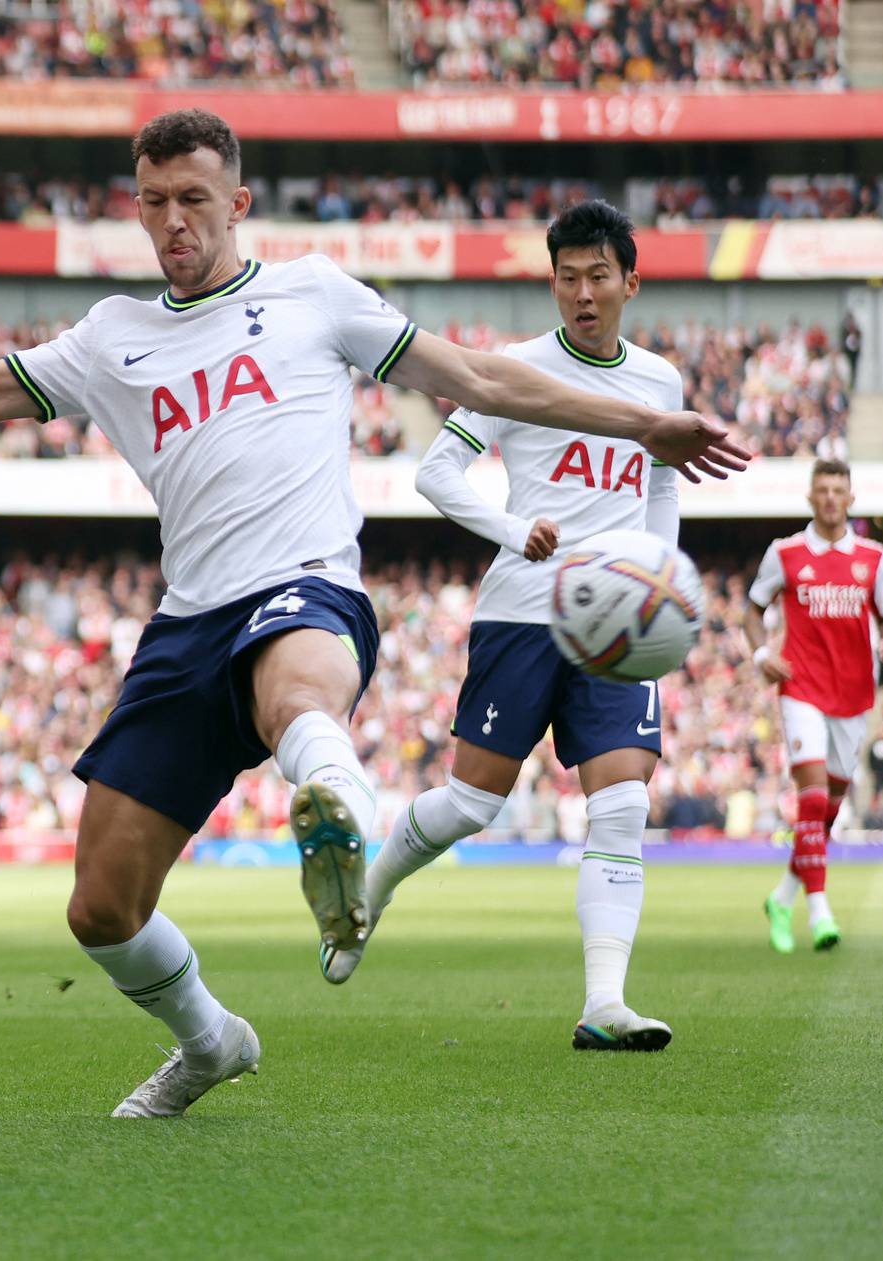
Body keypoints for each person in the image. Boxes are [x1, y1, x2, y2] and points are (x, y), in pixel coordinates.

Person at [0, 110, 747, 1117]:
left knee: (297, 691)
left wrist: (649, 425)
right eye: (153, 202)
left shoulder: (313, 295)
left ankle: (342, 820)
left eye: (195, 199)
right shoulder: (111, 338)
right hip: (188, 624)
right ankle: (210, 1041)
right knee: (102, 909)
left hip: (309, 587)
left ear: (238, 204)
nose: (174, 223)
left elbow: (475, 375)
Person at [346, 201, 685, 1053]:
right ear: (553, 284)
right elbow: (437, 471)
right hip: (522, 611)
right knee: (472, 803)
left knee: (624, 803)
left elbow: (663, 482)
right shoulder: (514, 372)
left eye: (597, 275)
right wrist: (510, 529)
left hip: (614, 622)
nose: (581, 291)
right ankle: (368, 889)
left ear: (629, 283)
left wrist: (657, 572)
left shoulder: (660, 383)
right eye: (566, 277)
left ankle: (604, 1002)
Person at [744, 460, 883, 953]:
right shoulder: (785, 553)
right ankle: (819, 911)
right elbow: (753, 609)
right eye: (823, 490)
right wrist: (762, 653)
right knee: (811, 801)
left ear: (851, 499)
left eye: (839, 490)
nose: (831, 498)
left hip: (854, 695)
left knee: (825, 815)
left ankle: (782, 896)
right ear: (811, 498)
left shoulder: (873, 558)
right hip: (801, 687)